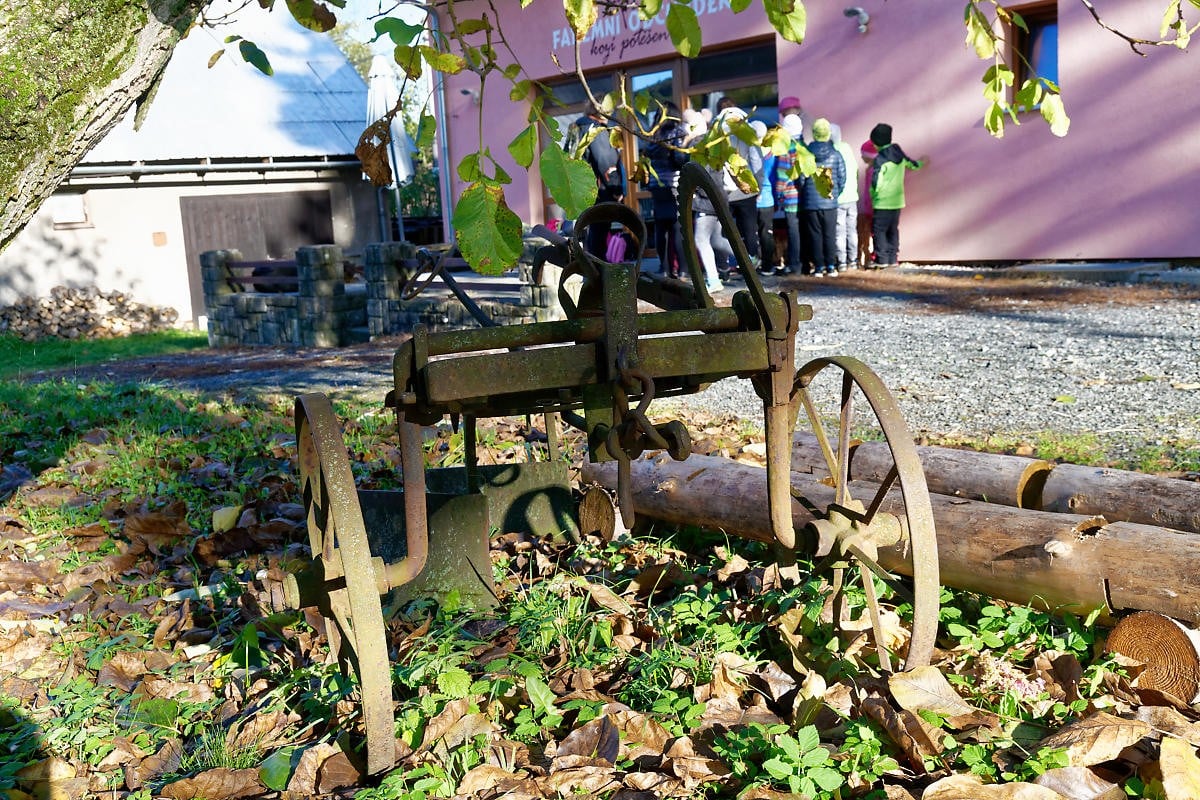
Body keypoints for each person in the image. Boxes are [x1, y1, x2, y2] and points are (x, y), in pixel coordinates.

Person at [713, 99, 763, 273]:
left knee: (724, 230)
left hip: (723, 189)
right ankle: (751, 266)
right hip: (746, 186)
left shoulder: (716, 129)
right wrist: (758, 184)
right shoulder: (746, 128)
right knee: (749, 229)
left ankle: (724, 266)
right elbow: (756, 160)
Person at [572, 105, 626, 258]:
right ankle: (598, 272)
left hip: (583, 187)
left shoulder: (577, 127)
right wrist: (616, 190)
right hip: (599, 190)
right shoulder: (595, 129)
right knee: (599, 230)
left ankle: (591, 270)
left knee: (592, 230)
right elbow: (606, 162)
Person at [868, 122, 924, 268]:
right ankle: (893, 258)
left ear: (877, 143)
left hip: (882, 203)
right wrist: (922, 163)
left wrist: (873, 195)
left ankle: (882, 259)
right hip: (897, 201)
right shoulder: (898, 153)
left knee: (879, 230)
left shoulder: (879, 159)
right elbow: (913, 165)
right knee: (893, 229)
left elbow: (876, 183)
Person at [643, 103, 689, 278]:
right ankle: (683, 269)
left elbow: (647, 154)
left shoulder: (653, 134)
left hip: (657, 186)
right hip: (674, 185)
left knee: (661, 229)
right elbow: (679, 159)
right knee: (677, 228)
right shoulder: (676, 132)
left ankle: (664, 267)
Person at [797, 118, 845, 277]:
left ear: (814, 134)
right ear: (828, 134)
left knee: (815, 235)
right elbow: (842, 177)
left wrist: (807, 193)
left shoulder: (806, 154)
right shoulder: (836, 154)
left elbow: (802, 179)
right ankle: (831, 266)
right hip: (830, 201)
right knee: (830, 234)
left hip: (811, 202)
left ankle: (818, 267)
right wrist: (836, 192)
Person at [772, 112, 805, 275]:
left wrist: (778, 196)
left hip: (791, 196)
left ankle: (794, 265)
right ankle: (804, 263)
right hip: (805, 195)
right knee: (802, 229)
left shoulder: (787, 147)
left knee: (793, 232)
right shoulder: (803, 145)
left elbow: (782, 174)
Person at [750, 120, 779, 275]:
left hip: (750, 199)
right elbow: (775, 178)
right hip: (768, 199)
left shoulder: (748, 153)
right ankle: (768, 266)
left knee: (751, 233)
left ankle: (752, 264)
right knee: (766, 233)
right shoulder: (772, 155)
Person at [829, 123, 859, 272]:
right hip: (853, 196)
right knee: (852, 230)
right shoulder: (847, 148)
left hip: (838, 199)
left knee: (839, 232)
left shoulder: (831, 150)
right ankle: (853, 260)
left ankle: (841, 261)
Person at [857, 139, 877, 268]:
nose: (861, 157)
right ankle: (869, 257)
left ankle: (873, 257)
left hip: (873, 207)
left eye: (863, 155)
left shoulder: (874, 170)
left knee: (874, 233)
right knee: (868, 233)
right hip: (869, 208)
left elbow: (872, 190)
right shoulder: (870, 169)